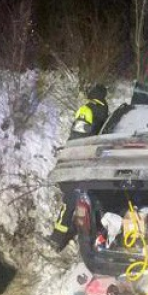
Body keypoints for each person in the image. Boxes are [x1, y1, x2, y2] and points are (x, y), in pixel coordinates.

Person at [46, 85, 109, 251]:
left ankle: (57, 239)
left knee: (70, 199)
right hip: (95, 161)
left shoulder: (86, 109)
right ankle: (94, 234)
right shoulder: (105, 112)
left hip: (78, 159)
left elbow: (78, 135)